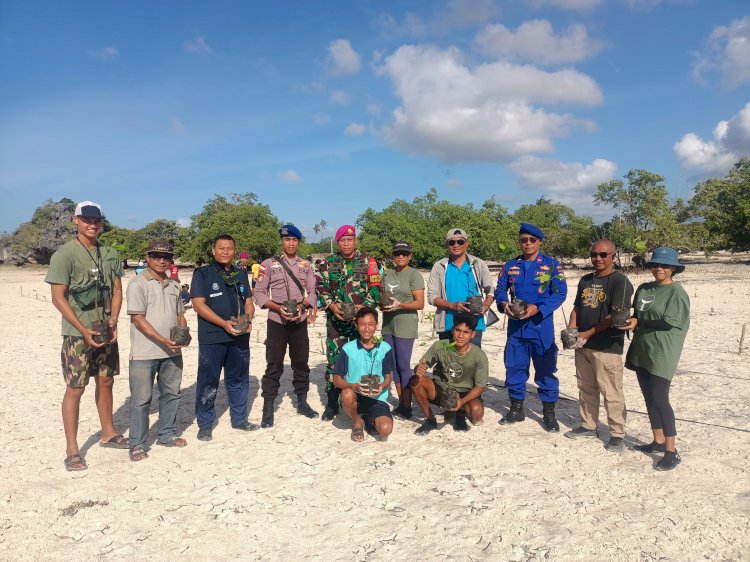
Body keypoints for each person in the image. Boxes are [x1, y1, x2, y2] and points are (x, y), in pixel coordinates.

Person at [45, 201, 126, 471]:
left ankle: (108, 433)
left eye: (97, 220)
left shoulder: (110, 254)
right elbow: (58, 297)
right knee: (75, 388)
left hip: (105, 328)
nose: (92, 224)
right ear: (75, 220)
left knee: (106, 382)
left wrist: (113, 322)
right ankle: (72, 448)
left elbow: (117, 290)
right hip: (76, 333)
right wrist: (82, 329)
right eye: (86, 219)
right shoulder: (65, 254)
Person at [619, 247, 690, 471]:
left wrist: (639, 323)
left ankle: (672, 450)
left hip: (662, 351)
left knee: (661, 399)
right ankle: (658, 441)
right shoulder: (644, 288)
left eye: (665, 265)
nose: (659, 268)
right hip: (642, 348)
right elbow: (637, 314)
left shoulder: (676, 292)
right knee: (649, 397)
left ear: (673, 269)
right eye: (655, 265)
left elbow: (668, 322)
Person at [495, 223, 567, 432]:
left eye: (532, 240)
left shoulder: (552, 266)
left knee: (545, 370)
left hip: (540, 326)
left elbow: (560, 293)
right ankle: (517, 409)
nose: (527, 244)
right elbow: (501, 290)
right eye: (523, 240)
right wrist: (503, 304)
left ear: (540, 242)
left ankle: (549, 413)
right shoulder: (510, 266)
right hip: (516, 328)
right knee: (515, 366)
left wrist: (539, 309)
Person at [564, 240, 634, 451]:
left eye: (604, 254)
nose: (598, 258)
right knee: (586, 387)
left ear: (613, 255)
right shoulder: (586, 279)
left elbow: (616, 315)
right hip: (583, 344)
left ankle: (617, 433)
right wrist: (572, 330)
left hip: (606, 345)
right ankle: (588, 425)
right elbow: (577, 306)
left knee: (611, 391)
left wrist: (588, 333)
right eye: (594, 254)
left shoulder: (619, 281)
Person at [190, 234, 258, 441]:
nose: (225, 252)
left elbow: (248, 300)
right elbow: (198, 304)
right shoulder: (203, 274)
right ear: (213, 250)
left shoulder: (240, 273)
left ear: (234, 251)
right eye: (221, 248)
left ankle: (239, 419)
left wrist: (247, 318)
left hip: (239, 336)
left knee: (238, 378)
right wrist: (223, 324)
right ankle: (205, 424)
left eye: (229, 248)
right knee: (208, 380)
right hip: (213, 336)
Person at [126, 240, 189, 461]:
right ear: (148, 257)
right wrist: (162, 339)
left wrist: (182, 333)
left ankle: (167, 434)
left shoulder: (174, 286)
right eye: (156, 256)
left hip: (172, 352)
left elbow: (180, 314)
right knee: (141, 399)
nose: (162, 260)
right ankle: (137, 444)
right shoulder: (138, 284)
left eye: (166, 257)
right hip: (145, 353)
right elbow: (137, 319)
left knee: (172, 394)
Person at [253, 225, 319, 428]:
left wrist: (303, 306)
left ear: (299, 242)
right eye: (287, 239)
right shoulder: (268, 264)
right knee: (273, 364)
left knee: (301, 362)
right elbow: (259, 292)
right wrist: (276, 307)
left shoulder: (306, 265)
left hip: (299, 322)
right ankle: (268, 407)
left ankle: (302, 402)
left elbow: (313, 292)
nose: (290, 243)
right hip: (276, 321)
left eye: (294, 240)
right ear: (282, 241)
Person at [316, 224, 381, 421]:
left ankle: (363, 401)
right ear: (338, 243)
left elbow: (376, 286)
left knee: (363, 360)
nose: (346, 243)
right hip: (336, 323)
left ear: (355, 241)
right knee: (335, 362)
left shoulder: (368, 262)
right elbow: (321, 286)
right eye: (343, 240)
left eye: (350, 239)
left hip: (361, 324)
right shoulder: (328, 263)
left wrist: (365, 308)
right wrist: (331, 305)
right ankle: (331, 402)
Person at [411, 315, 488, 435]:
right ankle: (430, 420)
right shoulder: (441, 346)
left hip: (464, 392)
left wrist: (462, 402)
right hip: (442, 389)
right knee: (416, 381)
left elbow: (480, 386)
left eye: (466, 332)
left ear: (473, 334)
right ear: (452, 330)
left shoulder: (479, 355)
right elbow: (421, 366)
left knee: (476, 414)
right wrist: (418, 370)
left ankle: (460, 414)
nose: (461, 336)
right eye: (458, 330)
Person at [332, 307, 394, 442]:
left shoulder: (385, 348)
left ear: (376, 325)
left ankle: (368, 417)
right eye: (362, 324)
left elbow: (388, 377)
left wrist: (381, 386)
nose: (367, 329)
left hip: (377, 397)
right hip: (356, 395)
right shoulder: (348, 349)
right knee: (346, 394)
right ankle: (357, 422)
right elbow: (336, 379)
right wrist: (353, 386)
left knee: (385, 429)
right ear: (356, 325)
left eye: (370, 324)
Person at [426, 228, 495, 348]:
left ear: (467, 243)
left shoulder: (478, 264)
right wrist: (453, 305)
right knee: (447, 363)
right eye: (452, 242)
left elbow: (490, 290)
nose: (456, 245)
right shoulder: (439, 266)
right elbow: (431, 297)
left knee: (470, 363)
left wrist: (486, 305)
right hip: (448, 325)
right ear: (447, 245)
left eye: (460, 242)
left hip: (473, 325)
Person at [380, 241, 425, 419]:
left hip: (406, 324)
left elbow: (420, 303)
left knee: (403, 365)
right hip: (388, 324)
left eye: (404, 254)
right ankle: (401, 403)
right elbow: (383, 295)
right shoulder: (388, 274)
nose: (400, 256)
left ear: (410, 256)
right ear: (392, 255)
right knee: (392, 366)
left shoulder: (414, 275)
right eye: (397, 253)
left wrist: (400, 305)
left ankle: (408, 403)